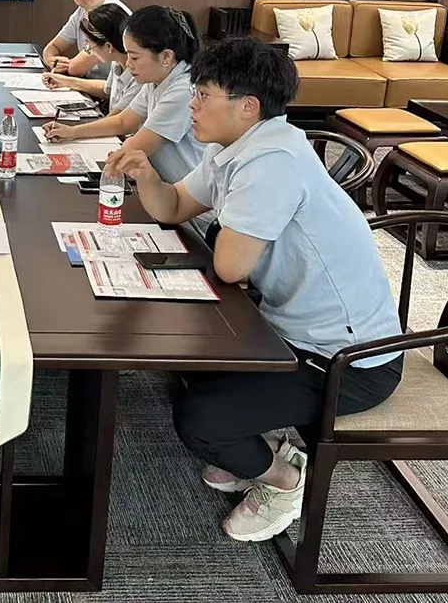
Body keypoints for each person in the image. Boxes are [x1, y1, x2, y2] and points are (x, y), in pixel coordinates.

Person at [110, 37, 403, 543]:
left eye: (204, 95)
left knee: (201, 419)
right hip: (291, 331)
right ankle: (264, 444)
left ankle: (284, 481)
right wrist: (147, 175)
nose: (192, 104)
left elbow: (229, 267)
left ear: (247, 106)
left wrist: (222, 221)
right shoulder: (238, 146)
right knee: (188, 359)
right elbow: (174, 206)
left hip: (350, 363)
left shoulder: (272, 162)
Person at [43, 5, 207, 188]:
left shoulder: (182, 90)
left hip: (185, 197)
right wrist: (72, 132)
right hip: (163, 186)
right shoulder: (156, 79)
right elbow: (123, 121)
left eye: (134, 57)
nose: (128, 63)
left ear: (166, 57)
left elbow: (134, 148)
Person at [41, 0, 131, 78]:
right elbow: (52, 47)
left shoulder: (111, 14)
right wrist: (52, 60)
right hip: (91, 83)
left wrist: (61, 66)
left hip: (111, 88)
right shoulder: (83, 10)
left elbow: (75, 69)